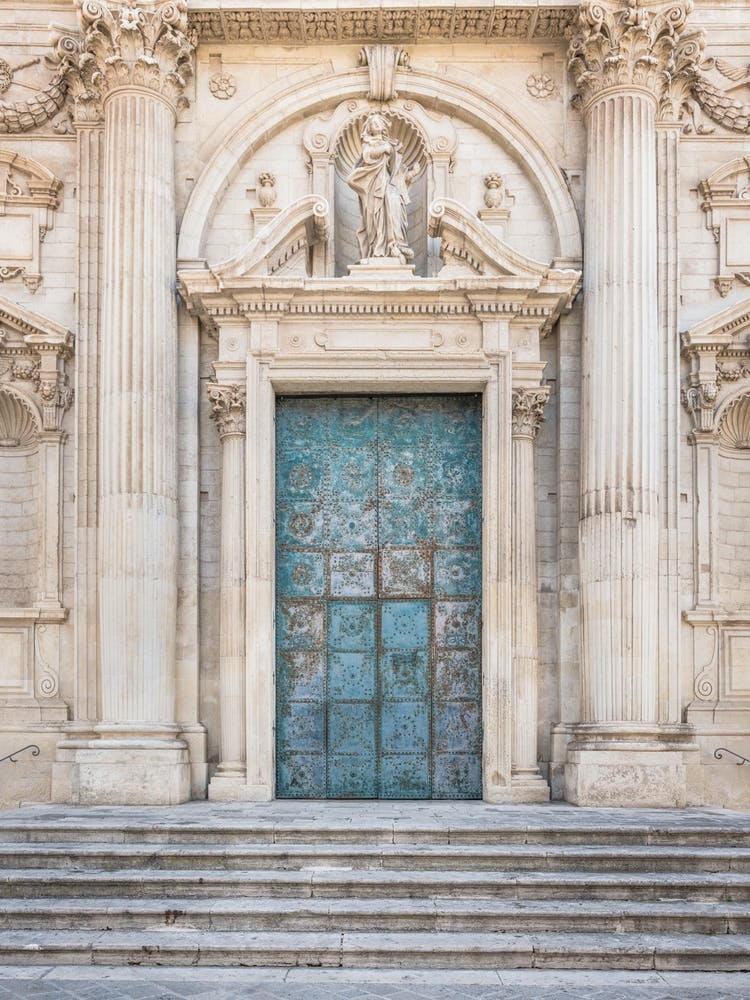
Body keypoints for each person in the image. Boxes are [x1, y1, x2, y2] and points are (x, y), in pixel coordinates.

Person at [347, 112, 421, 264]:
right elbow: (366, 156)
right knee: (375, 216)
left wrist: (412, 173)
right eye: (373, 124)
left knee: (395, 208)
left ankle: (396, 244)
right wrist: (382, 149)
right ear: (369, 128)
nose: (377, 125)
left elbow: (397, 171)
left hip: (389, 183)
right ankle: (378, 248)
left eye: (379, 123)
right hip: (373, 185)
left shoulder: (391, 144)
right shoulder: (369, 143)